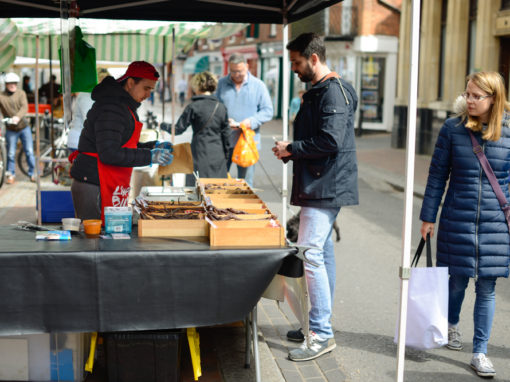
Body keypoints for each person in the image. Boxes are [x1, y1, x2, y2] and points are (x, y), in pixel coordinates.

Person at [272, 33, 358, 362]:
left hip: (325, 186)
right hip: (322, 183)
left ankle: (320, 333)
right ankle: (317, 323)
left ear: (314, 59)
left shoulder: (331, 92)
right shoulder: (325, 90)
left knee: (311, 254)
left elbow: (331, 141)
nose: (294, 68)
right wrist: (292, 151)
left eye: (296, 62)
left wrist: (292, 149)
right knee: (321, 253)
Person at [420, 71, 510, 378]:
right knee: (456, 281)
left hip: (496, 223)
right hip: (457, 217)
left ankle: (480, 352)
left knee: (487, 288)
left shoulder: (509, 131)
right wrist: (428, 216)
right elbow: (436, 175)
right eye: (467, 94)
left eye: (476, 96)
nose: (469, 100)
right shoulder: (452, 129)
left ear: (493, 98)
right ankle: (451, 323)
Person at [69, 61, 174, 221]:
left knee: (108, 238)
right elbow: (110, 153)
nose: (148, 95)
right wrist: (149, 156)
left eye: (151, 90)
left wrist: (153, 146)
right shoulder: (112, 107)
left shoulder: (123, 105)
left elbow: (123, 144)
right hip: (94, 183)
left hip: (106, 180)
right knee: (93, 240)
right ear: (131, 83)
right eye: (146, 88)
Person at [216, 53, 273, 187]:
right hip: (224, 141)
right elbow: (215, 107)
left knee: (246, 184)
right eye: (233, 71)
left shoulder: (259, 85)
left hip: (248, 142)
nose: (236, 75)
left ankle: (245, 208)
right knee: (219, 182)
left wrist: (251, 122)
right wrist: (223, 119)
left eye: (239, 71)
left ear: (247, 67)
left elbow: (268, 111)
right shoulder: (221, 84)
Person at [174, 71, 231, 178]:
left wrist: (162, 125)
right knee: (216, 190)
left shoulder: (193, 107)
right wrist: (225, 156)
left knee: (197, 189)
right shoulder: (221, 107)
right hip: (217, 155)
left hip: (198, 153)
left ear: (197, 86)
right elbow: (226, 135)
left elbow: (178, 129)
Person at [0, 72, 36, 184]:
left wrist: (17, 117)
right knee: (10, 153)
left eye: (14, 83)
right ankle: (11, 175)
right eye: (10, 83)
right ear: (6, 84)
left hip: (23, 127)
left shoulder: (21, 93)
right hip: (11, 129)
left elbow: (24, 107)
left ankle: (33, 173)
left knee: (29, 151)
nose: (12, 85)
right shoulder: (1, 96)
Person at [67, 68, 111, 153]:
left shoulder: (97, 96)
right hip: (79, 141)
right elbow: (89, 120)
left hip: (85, 140)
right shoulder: (87, 95)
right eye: (102, 81)